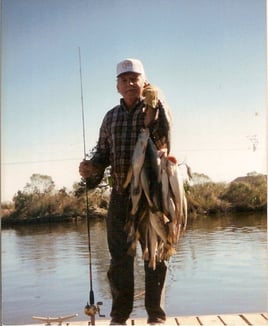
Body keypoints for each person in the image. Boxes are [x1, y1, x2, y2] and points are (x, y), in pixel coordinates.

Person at [79, 58, 171, 325]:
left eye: (135, 79)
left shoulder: (156, 108)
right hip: (120, 196)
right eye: (125, 80)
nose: (130, 83)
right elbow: (103, 153)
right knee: (120, 259)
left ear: (144, 83)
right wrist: (91, 168)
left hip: (153, 197)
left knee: (155, 255)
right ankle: (119, 316)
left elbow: (165, 137)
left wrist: (157, 102)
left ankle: (156, 316)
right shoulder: (110, 117)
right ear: (117, 86)